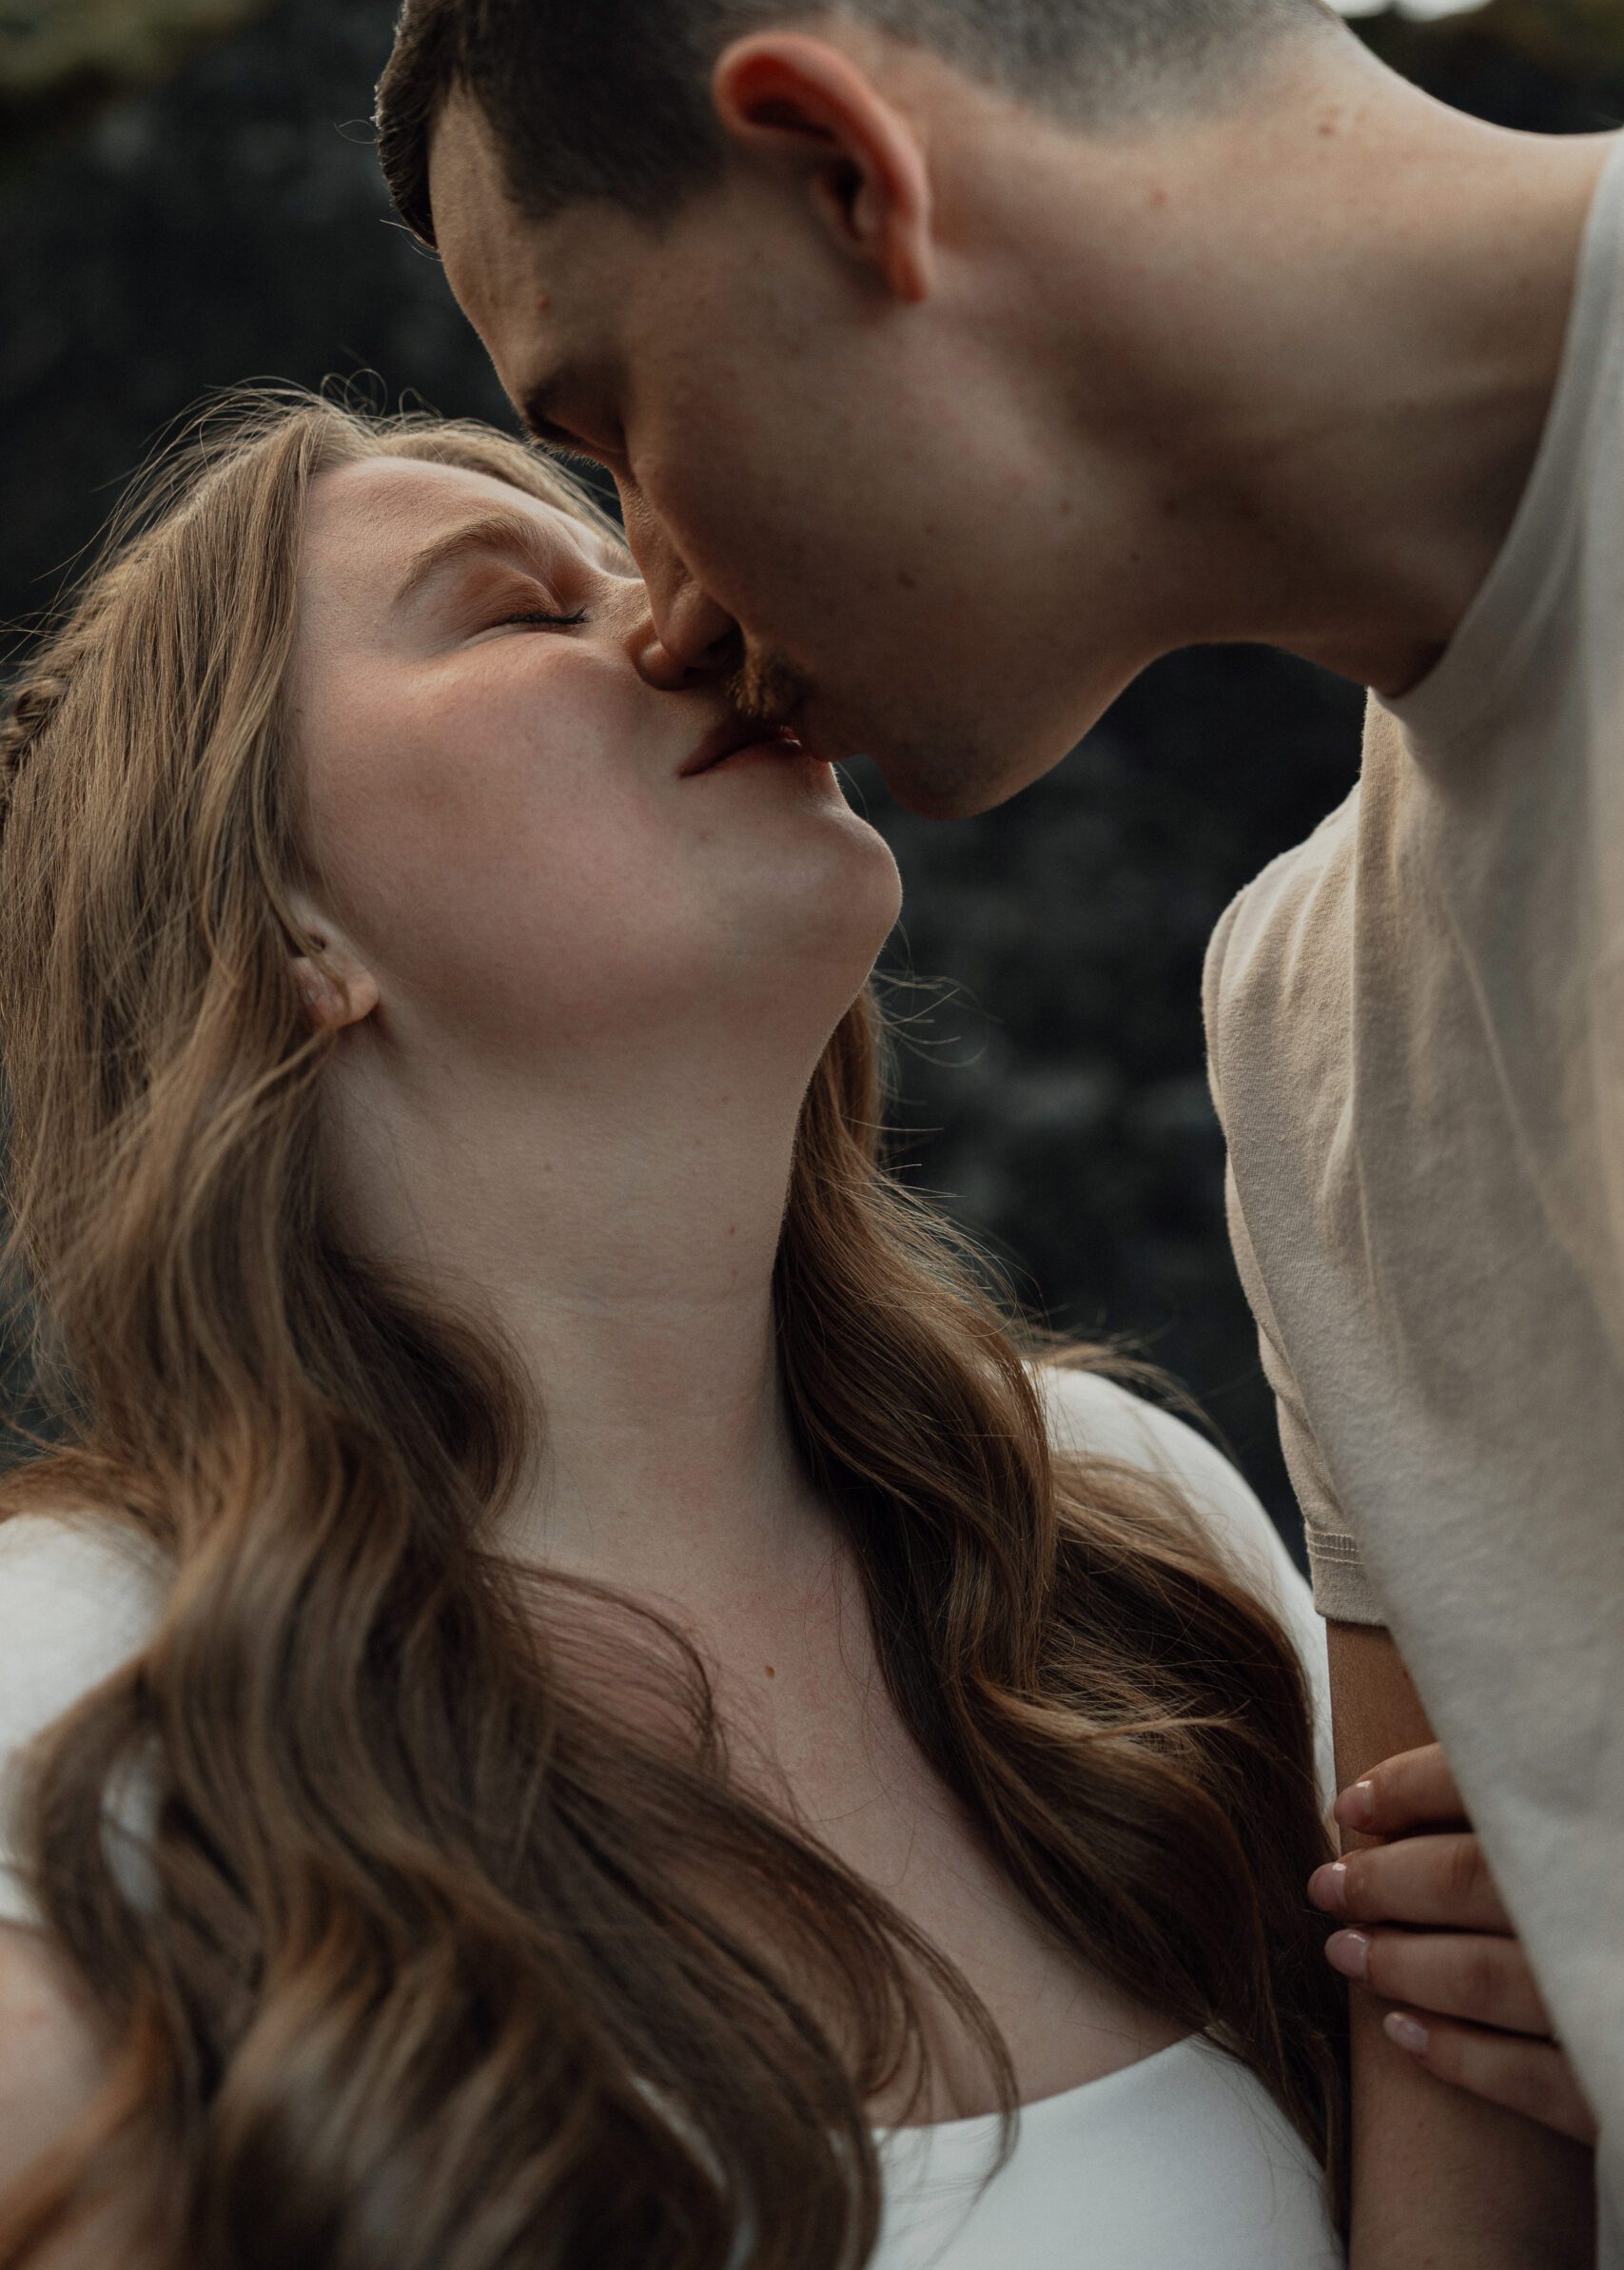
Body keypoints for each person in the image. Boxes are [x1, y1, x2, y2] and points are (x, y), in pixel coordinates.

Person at [372, 0, 1624, 2258]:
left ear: (846, 174)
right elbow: (1474, 2129)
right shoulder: (1314, 1038)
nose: (661, 608)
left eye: (606, 415)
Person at [0, 394, 1584, 2270]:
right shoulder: (81, 1689)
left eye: (643, 564)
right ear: (278, 918)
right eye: (516, 608)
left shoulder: (1121, 1536)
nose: (688, 612)